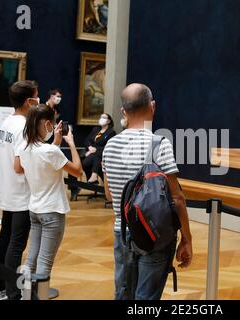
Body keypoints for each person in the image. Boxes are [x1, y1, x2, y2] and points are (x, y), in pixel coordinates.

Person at [102, 84, 193, 300]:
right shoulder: (160, 144)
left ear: (123, 112)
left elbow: (109, 195)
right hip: (155, 233)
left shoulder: (110, 145)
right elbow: (177, 198)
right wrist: (187, 238)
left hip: (121, 231)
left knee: (123, 294)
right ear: (152, 106)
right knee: (147, 299)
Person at [15, 105, 82, 289]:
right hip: (52, 211)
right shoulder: (49, 151)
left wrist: (57, 141)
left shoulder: (24, 147)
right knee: (45, 263)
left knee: (31, 258)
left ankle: (26, 294)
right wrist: (71, 143)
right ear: (46, 124)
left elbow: (45, 160)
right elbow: (77, 171)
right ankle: (41, 295)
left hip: (35, 210)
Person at [0, 80, 39, 300]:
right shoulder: (23, 126)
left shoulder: (7, 122)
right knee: (16, 244)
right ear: (29, 100)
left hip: (7, 190)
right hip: (21, 193)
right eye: (36, 97)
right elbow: (21, 165)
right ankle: (13, 294)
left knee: (5, 239)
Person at [86, 113, 116, 184]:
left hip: (102, 153)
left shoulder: (111, 132)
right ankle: (93, 178)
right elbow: (87, 140)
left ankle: (94, 176)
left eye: (104, 117)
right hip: (91, 152)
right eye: (101, 117)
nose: (101, 119)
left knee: (97, 158)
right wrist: (90, 147)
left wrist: (95, 150)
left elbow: (108, 146)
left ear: (108, 121)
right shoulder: (96, 129)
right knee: (85, 163)